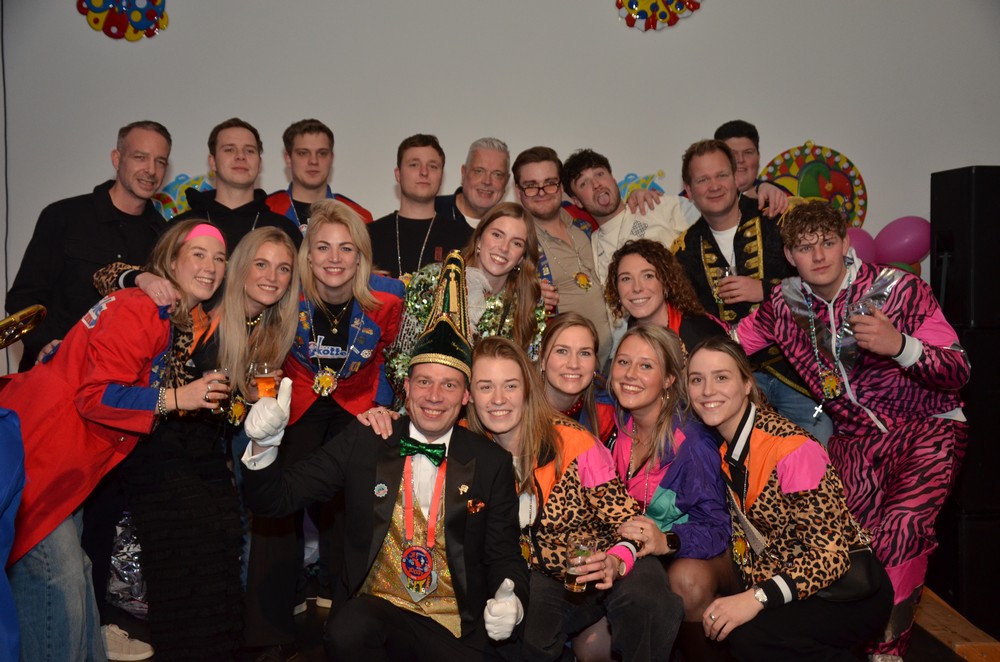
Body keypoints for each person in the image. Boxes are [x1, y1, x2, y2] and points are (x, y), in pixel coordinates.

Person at [241, 252, 528, 661]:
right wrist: (265, 447)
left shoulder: (491, 463)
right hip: (376, 620)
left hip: (452, 631)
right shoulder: (367, 438)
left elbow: (504, 556)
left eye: (449, 385)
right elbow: (275, 499)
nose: (434, 396)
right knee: (350, 627)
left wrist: (513, 602)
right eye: (424, 382)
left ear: (466, 396)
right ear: (405, 388)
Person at [733, 200, 970, 658]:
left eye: (827, 242)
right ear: (790, 256)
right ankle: (850, 644)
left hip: (927, 428)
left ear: (845, 243)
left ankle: (887, 651)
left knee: (903, 528)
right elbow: (731, 344)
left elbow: (959, 370)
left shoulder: (899, 289)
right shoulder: (784, 303)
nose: (819, 255)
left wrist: (900, 346)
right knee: (845, 546)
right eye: (806, 247)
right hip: (855, 441)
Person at [0, 220, 228, 661]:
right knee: (57, 580)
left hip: (62, 458)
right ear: (171, 261)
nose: (211, 266)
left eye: (219, 258)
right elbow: (95, 396)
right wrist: (178, 397)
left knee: (78, 571)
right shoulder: (141, 308)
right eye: (198, 254)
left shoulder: (165, 313)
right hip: (38, 453)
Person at [118, 226, 300, 661]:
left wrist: (252, 397)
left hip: (207, 449)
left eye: (283, 269)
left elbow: (227, 403)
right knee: (192, 548)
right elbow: (108, 277)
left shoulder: (271, 326)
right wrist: (141, 277)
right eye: (261, 264)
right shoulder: (206, 302)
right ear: (239, 267)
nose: (272, 277)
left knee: (225, 541)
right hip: (159, 444)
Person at [243, 200, 404, 660]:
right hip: (298, 403)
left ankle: (351, 621)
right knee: (277, 504)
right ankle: (267, 631)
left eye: (346, 248)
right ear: (307, 255)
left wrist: (382, 408)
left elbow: (393, 357)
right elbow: (260, 348)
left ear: (361, 257)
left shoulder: (390, 297)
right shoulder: (286, 293)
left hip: (357, 404)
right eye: (323, 247)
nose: (334, 258)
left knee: (357, 502)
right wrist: (263, 401)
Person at [465, 336, 682, 662]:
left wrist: (615, 562)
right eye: (486, 387)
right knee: (520, 636)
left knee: (648, 600)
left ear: (527, 390)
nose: (499, 399)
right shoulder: (467, 447)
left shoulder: (574, 443)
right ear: (469, 394)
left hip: (608, 560)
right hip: (546, 579)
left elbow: (630, 522)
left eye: (510, 386)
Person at [687, 337, 893, 660]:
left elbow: (830, 557)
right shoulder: (727, 447)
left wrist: (755, 597)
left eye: (721, 377)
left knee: (750, 636)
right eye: (697, 380)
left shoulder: (791, 449)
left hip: (845, 592)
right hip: (794, 584)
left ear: (747, 384)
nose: (707, 390)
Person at [672, 139, 832, 442]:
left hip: (800, 372)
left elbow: (826, 283)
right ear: (689, 191)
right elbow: (689, 320)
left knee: (818, 431)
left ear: (737, 178)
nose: (714, 186)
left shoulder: (779, 220)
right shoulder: (683, 250)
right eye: (703, 180)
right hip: (734, 381)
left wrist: (766, 290)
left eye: (721, 175)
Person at [6, 120, 171, 372]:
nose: (150, 170)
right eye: (140, 157)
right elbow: (23, 298)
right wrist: (44, 344)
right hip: (52, 373)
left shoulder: (165, 237)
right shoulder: (64, 216)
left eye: (160, 161)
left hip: (123, 382)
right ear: (117, 159)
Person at [385, 203, 545, 404]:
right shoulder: (433, 281)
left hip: (495, 410)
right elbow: (398, 358)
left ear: (522, 257)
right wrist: (431, 401)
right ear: (478, 239)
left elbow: (531, 372)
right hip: (424, 405)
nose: (504, 248)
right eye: (497, 235)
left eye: (517, 243)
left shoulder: (529, 299)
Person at [512, 147, 612, 363]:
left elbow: (619, 212)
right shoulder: (516, 240)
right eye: (531, 186)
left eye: (550, 183)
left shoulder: (585, 223)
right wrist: (523, 294)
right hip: (563, 370)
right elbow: (489, 290)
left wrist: (640, 196)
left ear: (561, 187)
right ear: (518, 191)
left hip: (612, 364)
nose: (542, 192)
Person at [561, 148, 699, 284]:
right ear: (577, 201)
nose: (596, 184)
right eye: (583, 183)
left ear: (613, 179)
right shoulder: (591, 250)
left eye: (599, 174)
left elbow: (708, 221)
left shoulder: (655, 205)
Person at [174, 118, 301, 252]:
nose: (240, 156)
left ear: (259, 164)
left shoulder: (284, 230)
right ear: (212, 162)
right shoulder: (180, 228)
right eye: (229, 149)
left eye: (249, 151)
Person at [369, 134, 473, 278]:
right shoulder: (368, 236)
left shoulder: (467, 239)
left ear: (441, 176)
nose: (424, 172)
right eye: (414, 164)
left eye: (433, 166)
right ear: (398, 174)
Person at [605, 239, 728, 354]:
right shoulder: (632, 330)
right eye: (626, 278)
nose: (637, 288)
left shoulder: (702, 336)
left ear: (666, 282)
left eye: (648, 276)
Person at [266, 118, 372, 231]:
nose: (313, 161)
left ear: (331, 158)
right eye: (303, 153)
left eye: (322, 153)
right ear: (288, 159)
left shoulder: (359, 217)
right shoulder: (265, 210)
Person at [537, 313, 616, 444]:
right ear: (543, 360)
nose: (573, 364)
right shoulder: (517, 407)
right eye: (562, 351)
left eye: (584, 353)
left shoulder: (607, 409)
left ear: (595, 362)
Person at [713, 119, 789, 213]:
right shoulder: (703, 197)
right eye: (732, 153)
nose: (740, 159)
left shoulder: (780, 197)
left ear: (758, 157)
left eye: (748, 152)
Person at [437, 137, 510, 230]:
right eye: (479, 171)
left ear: (506, 181)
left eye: (497, 174)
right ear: (464, 173)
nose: (487, 181)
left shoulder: (511, 226)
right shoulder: (431, 211)